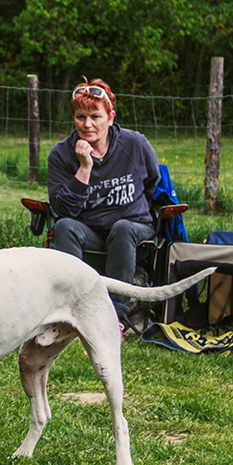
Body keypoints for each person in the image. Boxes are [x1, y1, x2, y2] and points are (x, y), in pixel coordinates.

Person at [47, 79, 161, 325]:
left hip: (134, 229)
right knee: (65, 225)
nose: (87, 124)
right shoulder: (61, 154)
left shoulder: (135, 143)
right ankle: (68, 313)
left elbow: (153, 182)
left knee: (122, 228)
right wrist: (84, 168)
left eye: (95, 116)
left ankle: (115, 317)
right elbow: (62, 209)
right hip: (90, 231)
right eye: (80, 117)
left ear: (111, 117)